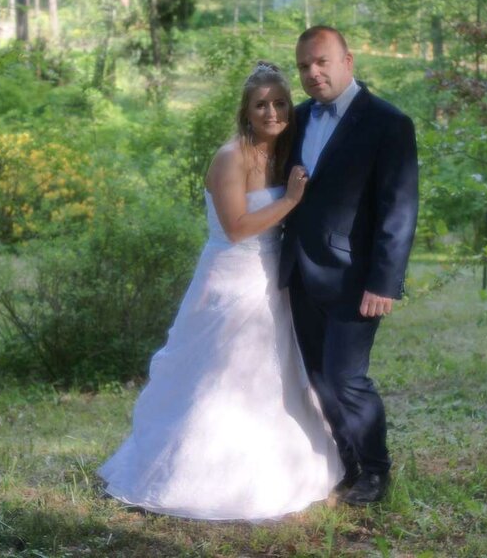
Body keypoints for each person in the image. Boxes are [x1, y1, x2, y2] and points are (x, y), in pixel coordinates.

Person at [98, 61, 343, 521]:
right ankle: (193, 476)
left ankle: (278, 471)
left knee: (270, 376)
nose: (271, 112)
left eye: (280, 103)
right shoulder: (232, 156)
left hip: (272, 278)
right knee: (218, 376)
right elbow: (236, 227)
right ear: (246, 111)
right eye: (260, 105)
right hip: (231, 278)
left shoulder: (282, 155)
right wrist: (291, 200)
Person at [279, 26, 419, 506]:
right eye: (304, 66)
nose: (312, 73)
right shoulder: (296, 119)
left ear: (348, 61)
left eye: (321, 61)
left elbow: (398, 210)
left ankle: (377, 470)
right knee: (319, 378)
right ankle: (348, 463)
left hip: (355, 280)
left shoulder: (388, 123)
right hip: (299, 274)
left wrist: (386, 282)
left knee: (346, 379)